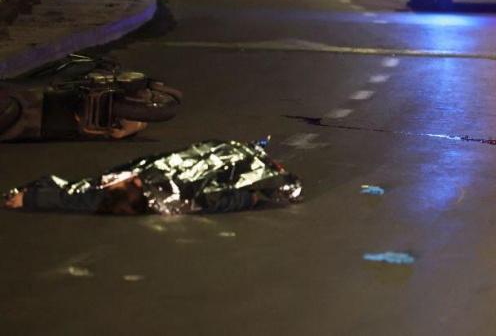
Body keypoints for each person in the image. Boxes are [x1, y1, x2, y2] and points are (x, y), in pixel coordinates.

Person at [2, 139, 302, 215]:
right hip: (213, 167)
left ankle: (34, 192)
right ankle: (35, 192)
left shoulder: (155, 190)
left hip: (212, 165)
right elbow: (220, 199)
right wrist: (255, 196)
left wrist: (31, 198)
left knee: (93, 190)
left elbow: (84, 198)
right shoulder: (168, 195)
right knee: (95, 189)